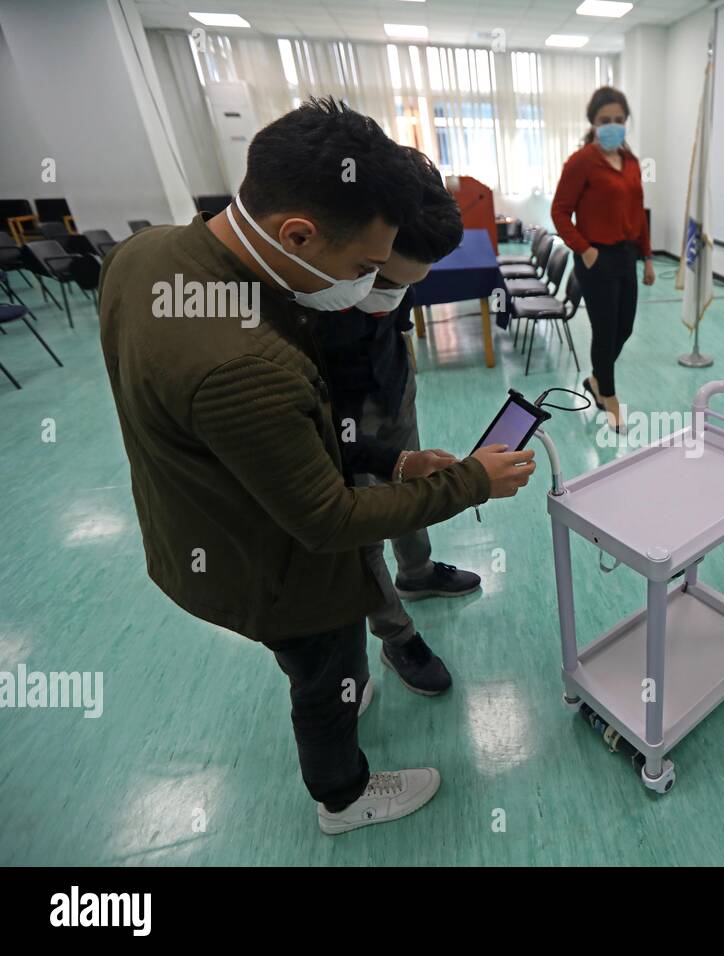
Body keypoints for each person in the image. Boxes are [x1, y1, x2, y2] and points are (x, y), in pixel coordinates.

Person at [98, 98, 535, 834]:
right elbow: (328, 519)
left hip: (204, 520)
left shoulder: (147, 257)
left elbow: (290, 439)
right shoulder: (247, 361)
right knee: (323, 667)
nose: (368, 290)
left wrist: (391, 462)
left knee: (324, 670)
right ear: (297, 233)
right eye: (364, 268)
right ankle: (344, 795)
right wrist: (467, 483)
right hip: (273, 566)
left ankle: (340, 689)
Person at [316, 148, 475, 698]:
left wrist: (403, 369)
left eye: (405, 287)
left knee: (412, 482)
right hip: (341, 413)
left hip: (392, 384)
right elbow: (329, 440)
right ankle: (394, 633)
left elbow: (392, 309)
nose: (388, 297)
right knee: (364, 527)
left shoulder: (393, 273)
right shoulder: (309, 302)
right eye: (379, 280)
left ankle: (418, 571)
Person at [551, 85, 654, 433]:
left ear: (626, 122)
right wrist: (585, 249)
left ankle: (596, 380)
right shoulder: (581, 162)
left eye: (619, 119)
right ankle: (609, 397)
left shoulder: (631, 162)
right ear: (593, 123)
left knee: (623, 328)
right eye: (604, 120)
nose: (613, 125)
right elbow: (560, 211)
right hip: (595, 258)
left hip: (626, 255)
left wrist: (649, 257)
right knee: (605, 330)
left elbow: (638, 213)